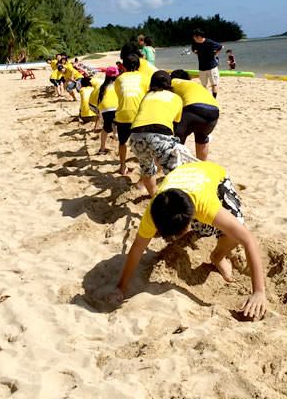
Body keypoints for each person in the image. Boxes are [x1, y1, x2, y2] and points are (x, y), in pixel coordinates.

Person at [106, 161, 267, 320]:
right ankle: (205, 234)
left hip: (213, 176)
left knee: (235, 228)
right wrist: (121, 288)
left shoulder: (205, 205)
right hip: (182, 177)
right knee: (206, 229)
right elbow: (137, 248)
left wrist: (259, 292)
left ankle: (218, 256)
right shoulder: (153, 213)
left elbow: (249, 240)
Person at [128, 71, 186, 196]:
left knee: (147, 168)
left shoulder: (146, 96)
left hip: (135, 136)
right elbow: (175, 123)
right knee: (175, 173)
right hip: (159, 135)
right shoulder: (176, 98)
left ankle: (154, 196)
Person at [170, 70, 220, 160]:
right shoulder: (195, 86)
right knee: (202, 138)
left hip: (194, 108)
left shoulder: (173, 82)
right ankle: (201, 166)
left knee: (176, 140)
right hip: (214, 112)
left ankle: (170, 167)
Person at [114, 53, 149, 175]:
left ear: (123, 66)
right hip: (139, 115)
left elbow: (120, 97)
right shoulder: (144, 77)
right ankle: (145, 167)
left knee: (122, 142)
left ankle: (123, 166)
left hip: (123, 115)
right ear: (138, 65)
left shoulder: (119, 79)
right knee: (144, 143)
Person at [91, 67, 119, 154]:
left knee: (106, 129)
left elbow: (93, 100)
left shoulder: (101, 86)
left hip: (105, 108)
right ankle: (116, 135)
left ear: (106, 76)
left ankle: (102, 149)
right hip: (117, 107)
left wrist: (97, 110)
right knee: (117, 125)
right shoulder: (118, 85)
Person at [191, 29, 223, 98]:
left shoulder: (209, 42)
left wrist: (215, 54)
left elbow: (221, 47)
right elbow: (193, 50)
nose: (193, 38)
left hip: (212, 67)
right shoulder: (195, 43)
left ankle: (214, 99)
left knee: (214, 84)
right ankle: (207, 99)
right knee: (204, 85)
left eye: (194, 37)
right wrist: (197, 54)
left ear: (199, 36)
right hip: (201, 68)